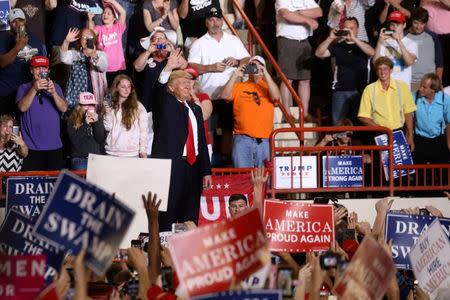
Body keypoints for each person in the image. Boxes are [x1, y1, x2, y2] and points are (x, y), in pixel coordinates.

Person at [152, 49, 212, 230]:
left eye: (190, 84)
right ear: (171, 88)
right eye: (183, 84)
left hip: (192, 169)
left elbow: (201, 142)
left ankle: (188, 251)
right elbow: (158, 90)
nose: (188, 87)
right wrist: (168, 67)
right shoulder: (166, 104)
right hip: (171, 168)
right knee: (168, 215)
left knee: (190, 214)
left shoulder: (194, 109)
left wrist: (206, 171)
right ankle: (163, 253)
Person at [188, 7, 250, 164]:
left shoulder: (233, 40)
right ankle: (209, 165)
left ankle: (227, 162)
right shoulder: (200, 43)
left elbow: (247, 59)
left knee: (228, 129)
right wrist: (211, 68)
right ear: (206, 23)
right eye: (211, 20)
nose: (215, 23)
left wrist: (236, 62)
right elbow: (191, 66)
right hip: (208, 94)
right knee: (209, 130)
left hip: (230, 94)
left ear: (222, 22)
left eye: (217, 20)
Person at [221, 56, 280, 168]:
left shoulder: (268, 87)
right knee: (242, 178)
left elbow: (276, 97)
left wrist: (265, 74)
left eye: (259, 65)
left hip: (264, 139)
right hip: (242, 139)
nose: (255, 68)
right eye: (252, 65)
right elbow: (224, 95)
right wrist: (234, 75)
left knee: (264, 177)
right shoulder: (239, 86)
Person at [315, 17, 375, 125]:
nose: (348, 31)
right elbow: (319, 54)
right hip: (340, 90)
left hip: (360, 90)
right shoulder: (337, 46)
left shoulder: (364, 45)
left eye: (351, 28)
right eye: (346, 28)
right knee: (338, 124)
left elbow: (372, 52)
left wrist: (355, 39)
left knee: (362, 124)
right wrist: (330, 38)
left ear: (357, 29)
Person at [16, 55, 68, 171]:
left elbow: (64, 108)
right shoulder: (23, 88)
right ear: (31, 70)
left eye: (43, 68)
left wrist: (54, 93)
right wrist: (34, 89)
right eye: (37, 68)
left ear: (48, 71)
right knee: (33, 186)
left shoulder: (55, 87)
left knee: (54, 186)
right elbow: (22, 108)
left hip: (54, 147)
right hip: (32, 148)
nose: (40, 71)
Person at [275, 0, 322, 122]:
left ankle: (305, 113)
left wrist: (298, 13)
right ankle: (287, 114)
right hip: (287, 40)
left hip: (304, 41)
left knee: (305, 79)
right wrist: (307, 19)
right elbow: (286, 14)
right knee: (287, 79)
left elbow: (318, 12)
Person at [358, 56, 417, 150]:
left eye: (385, 68)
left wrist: (410, 136)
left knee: (399, 164)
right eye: (379, 69)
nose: (382, 72)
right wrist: (381, 129)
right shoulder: (369, 89)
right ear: (376, 71)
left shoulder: (402, 87)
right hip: (378, 134)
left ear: (391, 70)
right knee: (380, 164)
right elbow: (363, 117)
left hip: (399, 132)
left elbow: (408, 113)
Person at [46, 0, 104, 91]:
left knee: (76, 80)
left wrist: (90, 19)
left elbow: (91, 26)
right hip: (60, 42)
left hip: (78, 45)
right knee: (59, 79)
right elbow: (51, 5)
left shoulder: (90, 2)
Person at [0, 8, 44, 116]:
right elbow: (2, 63)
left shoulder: (34, 38)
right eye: (14, 21)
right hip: (8, 91)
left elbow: (40, 63)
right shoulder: (3, 38)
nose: (18, 24)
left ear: (25, 21)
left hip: (27, 91)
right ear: (10, 24)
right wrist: (18, 47)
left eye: (20, 20)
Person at [134, 27, 182, 112]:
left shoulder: (171, 58)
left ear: (167, 41)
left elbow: (184, 65)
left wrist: (172, 51)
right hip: (148, 101)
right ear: (151, 42)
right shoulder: (146, 57)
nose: (159, 40)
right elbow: (137, 67)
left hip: (168, 101)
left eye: (162, 38)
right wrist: (148, 51)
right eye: (155, 38)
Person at [60, 27, 108, 111]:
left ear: (94, 40)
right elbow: (63, 57)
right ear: (80, 40)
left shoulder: (101, 54)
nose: (86, 40)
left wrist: (93, 55)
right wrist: (66, 41)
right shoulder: (75, 54)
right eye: (84, 37)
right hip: (77, 100)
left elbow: (103, 67)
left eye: (89, 38)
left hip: (96, 97)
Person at [103, 74, 148, 158]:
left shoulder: (138, 106)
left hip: (131, 153)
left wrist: (143, 149)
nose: (127, 90)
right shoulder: (111, 105)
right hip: (112, 152)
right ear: (116, 88)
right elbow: (108, 128)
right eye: (123, 87)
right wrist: (108, 112)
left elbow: (144, 130)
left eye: (129, 86)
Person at [373, 11, 418, 89]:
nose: (394, 27)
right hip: (386, 87)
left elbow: (410, 62)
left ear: (404, 25)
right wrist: (379, 42)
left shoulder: (411, 43)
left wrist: (399, 41)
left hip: (403, 87)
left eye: (398, 24)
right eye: (392, 24)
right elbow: (375, 63)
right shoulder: (384, 41)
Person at [413, 73, 450, 164]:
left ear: (433, 90)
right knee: (420, 174)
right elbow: (408, 121)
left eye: (424, 87)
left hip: (438, 140)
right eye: (421, 85)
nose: (420, 89)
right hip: (419, 140)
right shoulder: (414, 97)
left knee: (442, 172)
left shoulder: (444, 98)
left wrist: (448, 143)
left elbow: (448, 122)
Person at [88, 0, 127, 86]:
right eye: (104, 13)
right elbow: (91, 34)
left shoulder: (118, 27)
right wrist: (90, 19)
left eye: (109, 13)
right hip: (104, 68)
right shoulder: (99, 28)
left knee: (116, 92)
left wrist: (112, 1)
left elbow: (123, 12)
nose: (105, 15)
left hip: (118, 68)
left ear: (114, 18)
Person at [406, 8, 444, 91]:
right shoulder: (403, 36)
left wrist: (439, 82)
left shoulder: (433, 36)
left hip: (430, 82)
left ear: (426, 23)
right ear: (411, 21)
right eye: (415, 23)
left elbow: (439, 62)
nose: (418, 27)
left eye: (422, 24)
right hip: (410, 82)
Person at [66, 92, 106, 170]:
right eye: (86, 105)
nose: (89, 108)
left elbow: (100, 139)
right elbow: (75, 142)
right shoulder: (71, 120)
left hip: (96, 158)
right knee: (81, 182)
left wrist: (97, 122)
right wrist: (86, 124)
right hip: (80, 159)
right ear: (79, 106)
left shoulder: (97, 117)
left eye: (92, 105)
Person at [184, 66, 213, 159]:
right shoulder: (177, 98)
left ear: (195, 81)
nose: (188, 81)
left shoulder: (202, 96)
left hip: (201, 142)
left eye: (191, 79)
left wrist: (193, 96)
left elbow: (204, 116)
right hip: (183, 143)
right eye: (185, 77)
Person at [421, 0, 450, 87]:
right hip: (428, 36)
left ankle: (445, 93)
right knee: (430, 66)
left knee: (446, 67)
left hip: (446, 37)